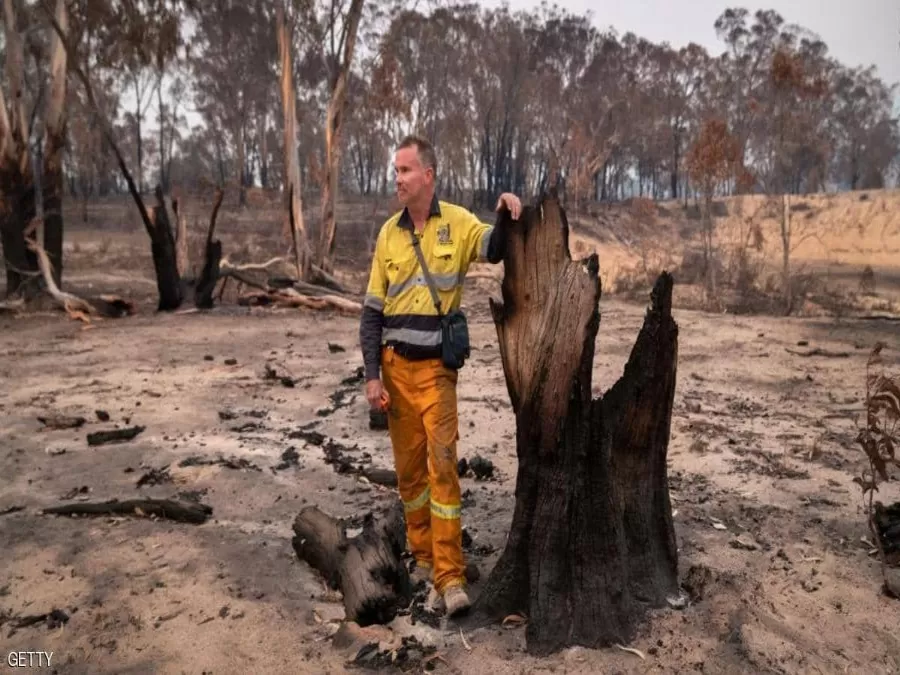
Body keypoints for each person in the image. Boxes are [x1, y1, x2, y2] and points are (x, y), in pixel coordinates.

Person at [359, 134, 521, 616]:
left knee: (443, 468)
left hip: (436, 375)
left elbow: (494, 248)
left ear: (428, 176)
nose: (398, 179)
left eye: (405, 171)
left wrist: (509, 211)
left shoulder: (458, 223)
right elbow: (371, 314)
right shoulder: (388, 234)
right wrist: (372, 376)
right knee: (410, 479)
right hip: (394, 371)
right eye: (396, 171)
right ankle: (427, 559)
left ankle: (450, 579)